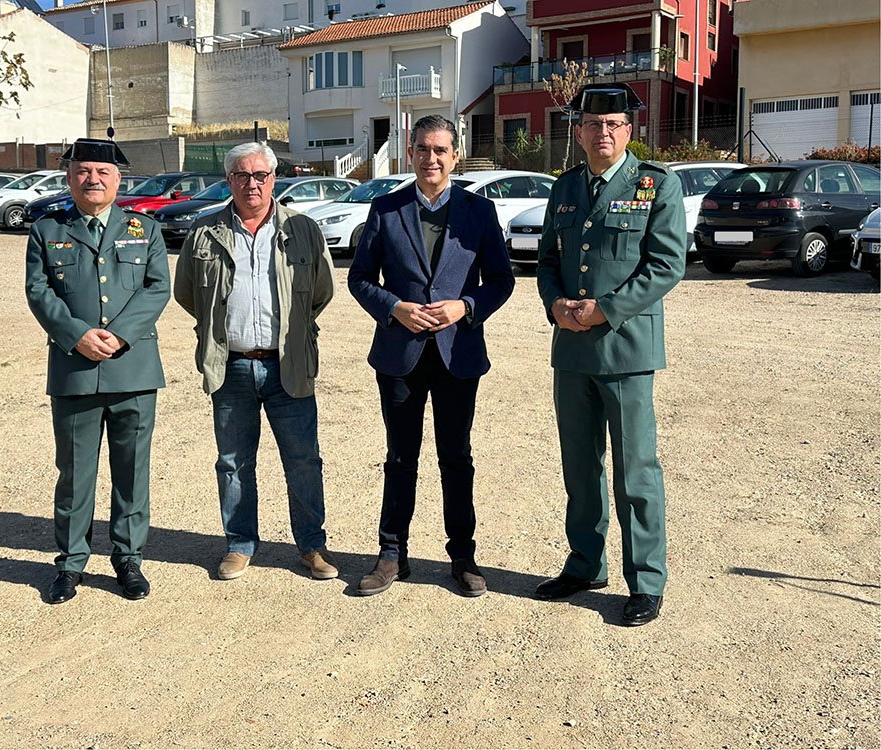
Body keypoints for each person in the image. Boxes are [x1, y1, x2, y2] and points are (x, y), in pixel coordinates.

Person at [535, 84, 686, 626]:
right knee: (580, 467)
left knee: (635, 471)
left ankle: (646, 581)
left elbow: (666, 265)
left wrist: (605, 309)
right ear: (578, 132)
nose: (603, 132)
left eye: (614, 124)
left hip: (626, 349)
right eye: (594, 124)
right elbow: (547, 259)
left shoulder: (656, 184)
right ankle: (585, 565)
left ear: (629, 130)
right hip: (572, 350)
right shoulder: (565, 187)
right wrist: (554, 303)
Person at [348, 115, 515, 598]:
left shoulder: (479, 212)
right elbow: (360, 278)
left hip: (456, 355)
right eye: (423, 149)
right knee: (400, 457)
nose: (431, 158)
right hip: (399, 356)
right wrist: (394, 308)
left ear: (455, 156)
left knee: (456, 457)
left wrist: (465, 306)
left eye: (440, 150)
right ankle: (391, 555)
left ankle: (462, 556)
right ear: (411, 153)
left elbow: (501, 281)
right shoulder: (386, 209)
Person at [173, 142, 337, 582]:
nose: (252, 184)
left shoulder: (302, 229)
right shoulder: (205, 231)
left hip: (289, 365)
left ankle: (312, 546)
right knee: (233, 462)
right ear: (229, 181)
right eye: (242, 175)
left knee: (303, 461)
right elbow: (186, 292)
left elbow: (321, 291)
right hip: (231, 366)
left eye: (260, 175)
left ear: (273, 178)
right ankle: (239, 544)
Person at [25, 138, 170, 604]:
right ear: (69, 178)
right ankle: (70, 564)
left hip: (133, 369)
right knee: (74, 473)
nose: (93, 179)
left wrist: (121, 335)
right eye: (84, 171)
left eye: (103, 172)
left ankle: (128, 560)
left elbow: (157, 288)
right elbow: (38, 291)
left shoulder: (144, 228)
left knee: (132, 471)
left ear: (118, 180)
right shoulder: (48, 229)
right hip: (75, 369)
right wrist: (77, 335)